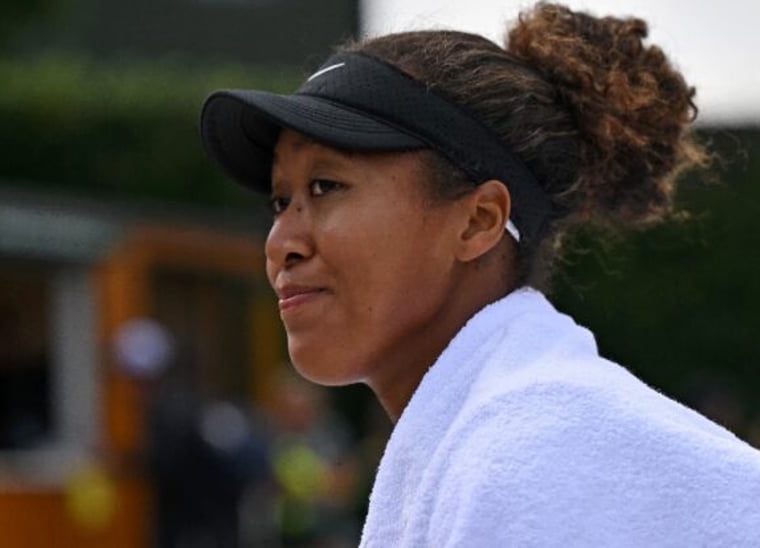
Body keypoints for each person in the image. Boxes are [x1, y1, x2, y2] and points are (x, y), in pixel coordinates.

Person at [199, 3, 760, 546]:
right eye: (280, 201)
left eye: (325, 186)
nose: (281, 244)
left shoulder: (535, 459)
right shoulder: (519, 439)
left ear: (478, 221)